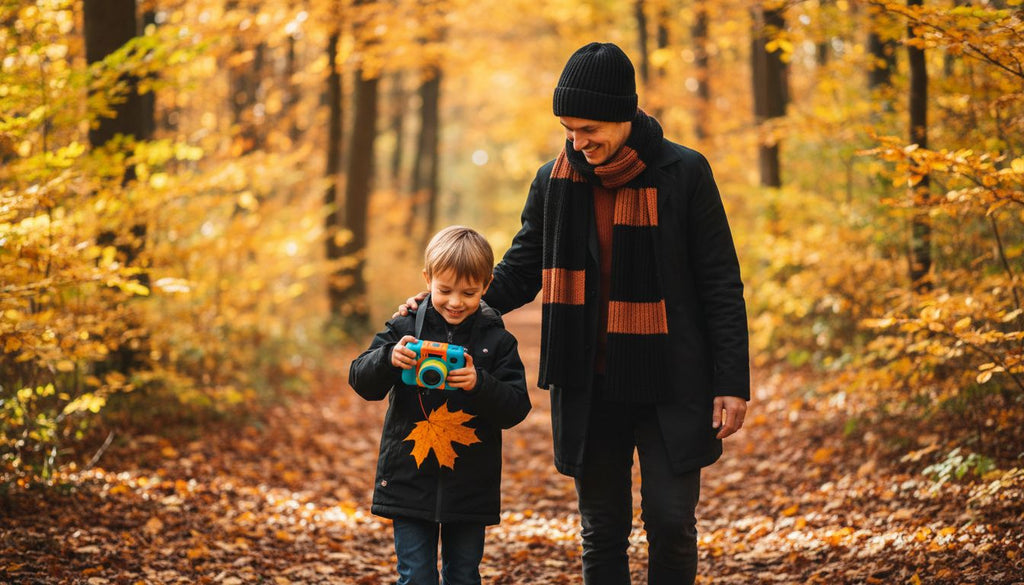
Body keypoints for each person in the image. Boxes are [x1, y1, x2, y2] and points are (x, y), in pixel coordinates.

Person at [402, 42, 749, 584]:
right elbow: (519, 270)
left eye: (589, 129)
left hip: (672, 379)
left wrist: (731, 382)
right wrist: (443, 305)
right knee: (602, 530)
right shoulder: (554, 181)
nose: (577, 142)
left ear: (624, 115)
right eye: (568, 129)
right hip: (590, 383)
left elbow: (720, 283)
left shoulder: (685, 173)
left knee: (671, 522)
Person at [349, 225, 531, 585]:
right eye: (445, 290)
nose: (455, 302)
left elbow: (516, 407)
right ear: (427, 279)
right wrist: (389, 358)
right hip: (409, 477)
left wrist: (480, 384)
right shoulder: (405, 327)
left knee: (463, 575)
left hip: (470, 485)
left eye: (469, 292)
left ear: (487, 285)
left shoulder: (497, 341)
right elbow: (360, 379)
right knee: (416, 577)